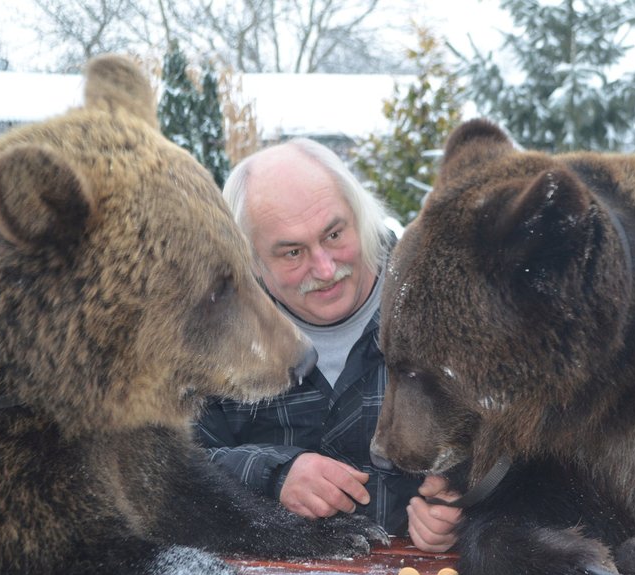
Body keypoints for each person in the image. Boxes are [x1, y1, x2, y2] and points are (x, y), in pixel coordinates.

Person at [196, 138, 460, 552]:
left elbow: (522, 449)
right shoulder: (215, 336)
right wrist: (273, 473)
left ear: (360, 217)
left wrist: (464, 508)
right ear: (251, 260)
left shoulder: (447, 306)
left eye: (334, 234)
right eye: (292, 252)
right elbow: (169, 465)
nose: (324, 268)